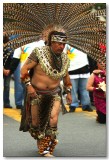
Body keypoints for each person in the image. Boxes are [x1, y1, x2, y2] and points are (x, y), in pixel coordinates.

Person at [19, 31, 72, 157]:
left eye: (63, 44)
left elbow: (66, 76)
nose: (62, 46)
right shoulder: (38, 53)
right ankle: (41, 141)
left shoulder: (64, 58)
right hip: (36, 93)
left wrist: (68, 92)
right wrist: (29, 86)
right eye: (59, 43)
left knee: (53, 119)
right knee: (36, 123)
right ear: (51, 42)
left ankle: (46, 147)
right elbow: (23, 69)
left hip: (54, 93)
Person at [64, 44, 93, 112]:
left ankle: (86, 105)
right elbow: (64, 55)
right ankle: (73, 105)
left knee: (85, 89)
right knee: (73, 90)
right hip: (71, 69)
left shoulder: (83, 42)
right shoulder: (67, 44)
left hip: (84, 68)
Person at [3, 32, 13, 108]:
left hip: (8, 70)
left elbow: (12, 59)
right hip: (3, 69)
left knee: (7, 86)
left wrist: (9, 69)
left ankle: (6, 103)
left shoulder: (10, 46)